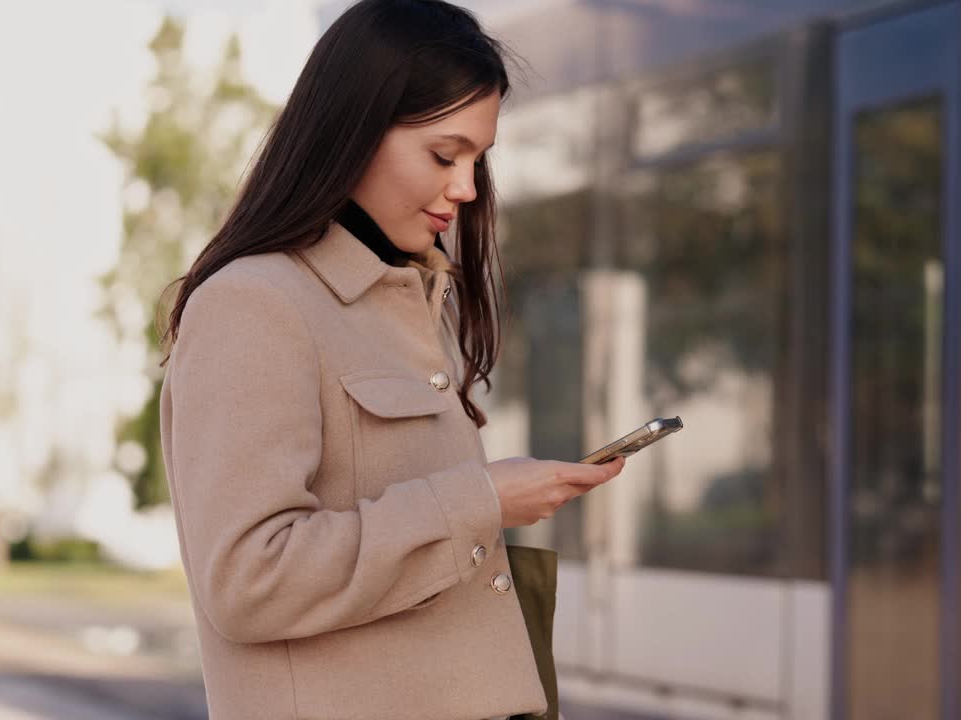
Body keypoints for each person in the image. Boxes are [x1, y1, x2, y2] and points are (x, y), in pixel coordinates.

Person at [156, 1, 624, 718]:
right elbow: (250, 578)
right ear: (355, 132)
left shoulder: (406, 301)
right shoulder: (255, 304)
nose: (466, 189)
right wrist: (484, 500)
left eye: (478, 160)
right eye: (444, 154)